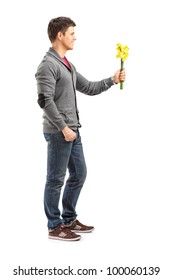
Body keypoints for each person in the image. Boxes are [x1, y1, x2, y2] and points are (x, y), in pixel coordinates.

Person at [35, 16, 126, 241]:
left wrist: (112, 80)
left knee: (79, 173)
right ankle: (54, 226)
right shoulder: (48, 65)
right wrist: (63, 127)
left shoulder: (66, 64)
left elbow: (88, 87)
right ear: (60, 35)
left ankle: (68, 218)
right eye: (72, 33)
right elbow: (44, 100)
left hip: (73, 130)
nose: (75, 37)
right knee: (55, 179)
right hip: (60, 132)